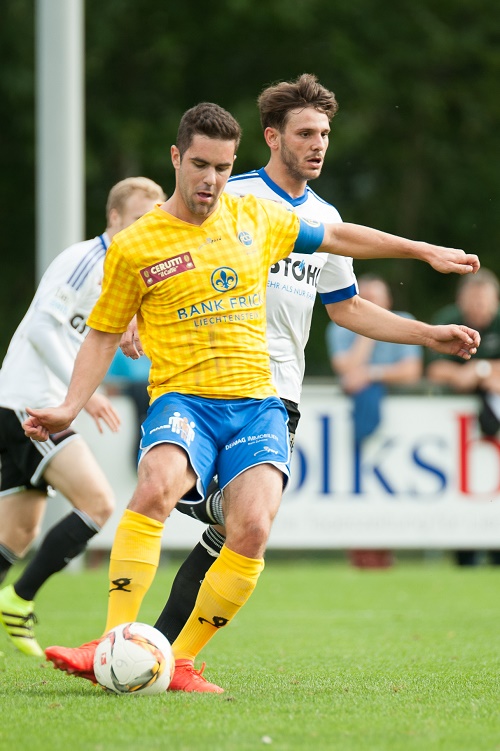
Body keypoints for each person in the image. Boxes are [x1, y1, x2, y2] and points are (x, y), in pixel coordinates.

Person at [24, 101, 480, 694]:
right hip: (185, 396)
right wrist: (73, 399)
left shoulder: (264, 216)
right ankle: (114, 638)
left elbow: (341, 261)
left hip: (264, 399)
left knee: (250, 527)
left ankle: (178, 658)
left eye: (221, 167)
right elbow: (107, 327)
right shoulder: (161, 233)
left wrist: (422, 263)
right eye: (200, 165)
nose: (211, 179)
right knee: (158, 487)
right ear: (178, 159)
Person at [147, 76, 476, 647]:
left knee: (244, 528)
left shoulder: (325, 215)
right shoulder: (231, 194)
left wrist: (428, 335)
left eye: (324, 133)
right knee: (185, 499)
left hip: (279, 393)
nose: (318, 144)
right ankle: (140, 634)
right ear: (272, 137)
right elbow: (157, 244)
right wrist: (134, 316)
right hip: (209, 379)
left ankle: (163, 652)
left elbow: (347, 309)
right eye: (304, 133)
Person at [0, 176, 165, 657]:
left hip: (34, 403)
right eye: (137, 219)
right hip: (31, 404)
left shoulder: (127, 274)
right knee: (98, 502)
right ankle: (18, 599)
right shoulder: (86, 259)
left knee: (18, 532)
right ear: (114, 217)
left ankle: (14, 599)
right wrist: (83, 395)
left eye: (152, 221)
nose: (144, 229)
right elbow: (42, 329)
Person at [326, 273, 423, 568]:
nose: (370, 305)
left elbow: (411, 371)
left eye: (375, 300)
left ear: (389, 302)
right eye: (364, 300)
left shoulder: (405, 321)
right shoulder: (339, 326)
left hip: (406, 433)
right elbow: (345, 369)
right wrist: (368, 330)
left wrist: (371, 374)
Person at [426, 268, 500, 566]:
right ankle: (465, 554)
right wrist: (473, 374)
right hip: (456, 432)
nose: (478, 307)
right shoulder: (448, 319)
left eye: (484, 301)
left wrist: (480, 371)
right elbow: (434, 369)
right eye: (473, 301)